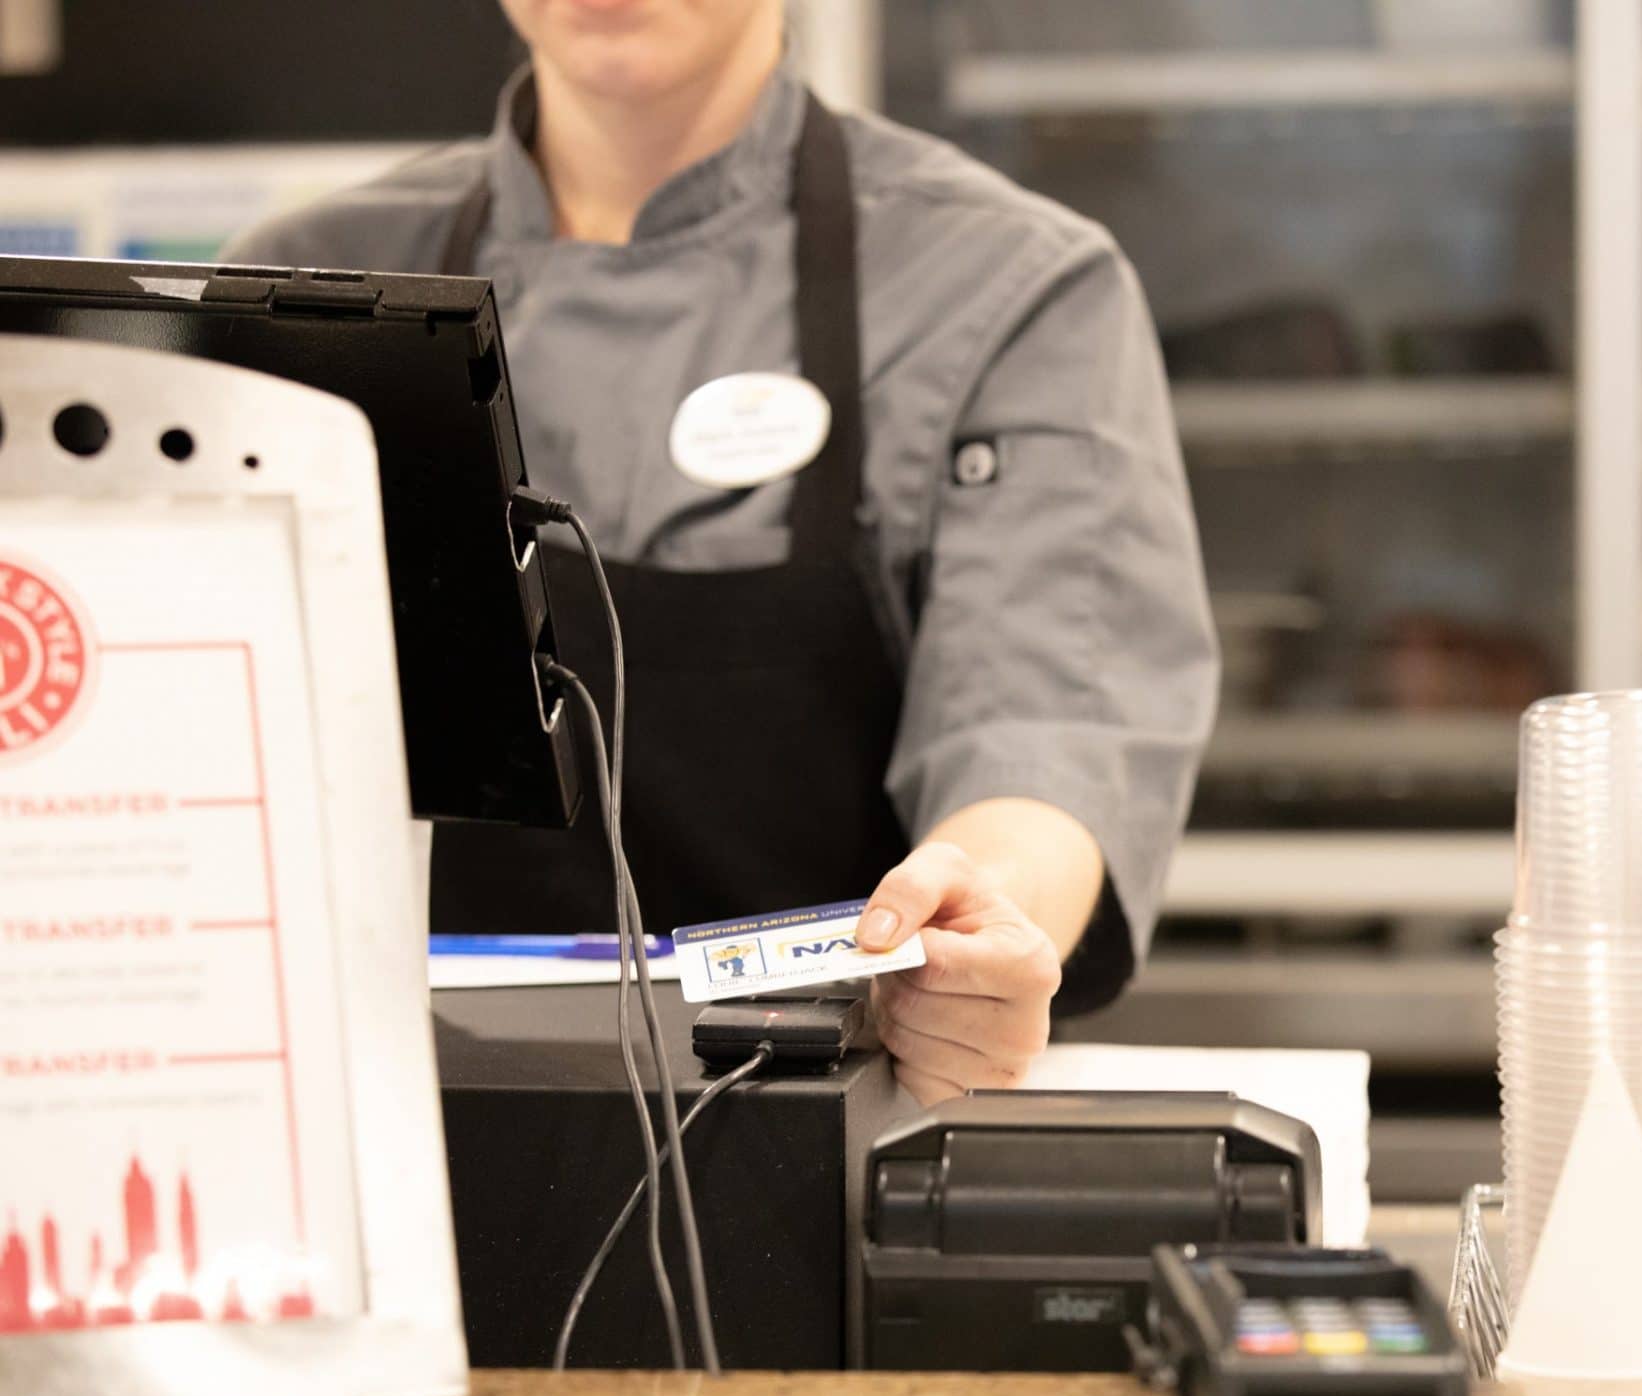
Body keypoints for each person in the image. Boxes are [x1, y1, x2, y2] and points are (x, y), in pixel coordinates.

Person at [224, 0, 1217, 1105]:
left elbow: (1041, 733)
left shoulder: (1009, 287)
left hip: (824, 1152)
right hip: (392, 1153)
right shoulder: (300, 291)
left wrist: (970, 935)